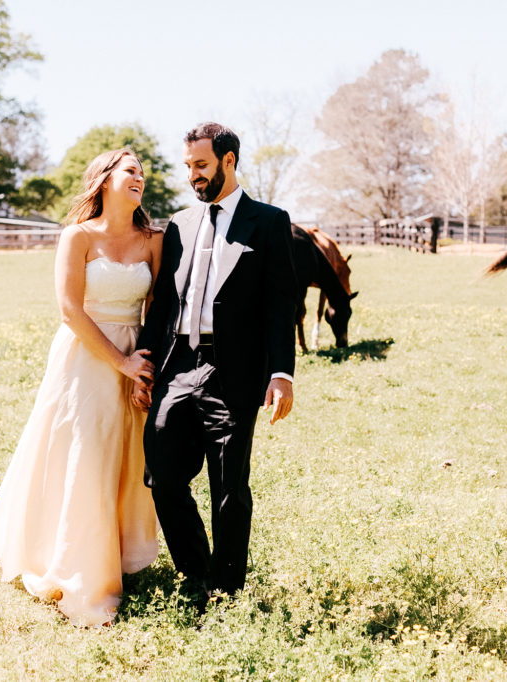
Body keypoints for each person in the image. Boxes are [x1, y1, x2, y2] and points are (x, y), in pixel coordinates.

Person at [0, 149, 161, 627]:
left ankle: (117, 557)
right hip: (86, 356)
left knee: (124, 458)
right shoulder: (76, 236)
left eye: (142, 172)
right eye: (130, 171)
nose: (139, 177)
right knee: (84, 457)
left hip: (135, 357)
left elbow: (157, 313)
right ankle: (84, 577)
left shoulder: (152, 240)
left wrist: (144, 368)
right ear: (103, 180)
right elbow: (70, 310)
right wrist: (118, 362)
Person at [133, 122, 296, 603]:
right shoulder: (179, 226)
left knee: (229, 489)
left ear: (228, 161)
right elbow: (161, 306)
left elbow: (280, 306)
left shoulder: (268, 222)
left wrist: (281, 373)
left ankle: (225, 590)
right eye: (188, 167)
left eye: (200, 165)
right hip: (177, 366)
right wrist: (145, 364)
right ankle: (196, 573)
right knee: (161, 475)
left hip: (234, 374)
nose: (193, 176)